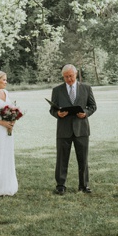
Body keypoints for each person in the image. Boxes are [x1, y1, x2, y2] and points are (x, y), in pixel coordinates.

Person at [49, 64, 97, 194]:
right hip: (63, 130)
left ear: (75, 74)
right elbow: (52, 109)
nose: (69, 79)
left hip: (81, 129)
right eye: (66, 77)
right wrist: (57, 114)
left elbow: (92, 106)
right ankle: (60, 185)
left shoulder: (86, 88)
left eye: (71, 76)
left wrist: (85, 113)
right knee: (61, 159)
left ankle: (84, 185)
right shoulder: (57, 90)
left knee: (83, 159)